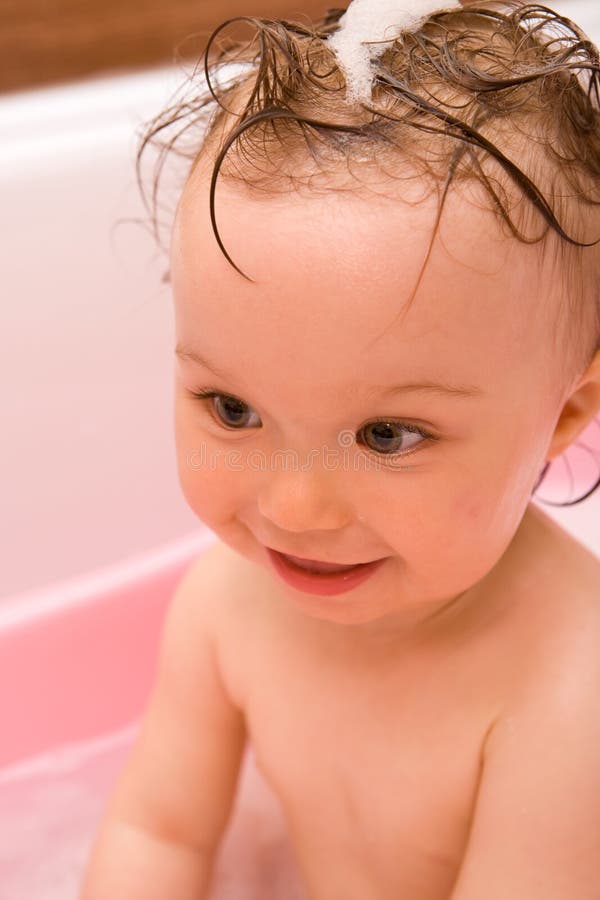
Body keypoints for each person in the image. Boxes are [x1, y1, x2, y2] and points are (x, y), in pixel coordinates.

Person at [80, 0, 600, 897]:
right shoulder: (226, 608)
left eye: (386, 436)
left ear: (563, 417)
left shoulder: (569, 688)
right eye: (232, 409)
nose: (292, 510)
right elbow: (154, 835)